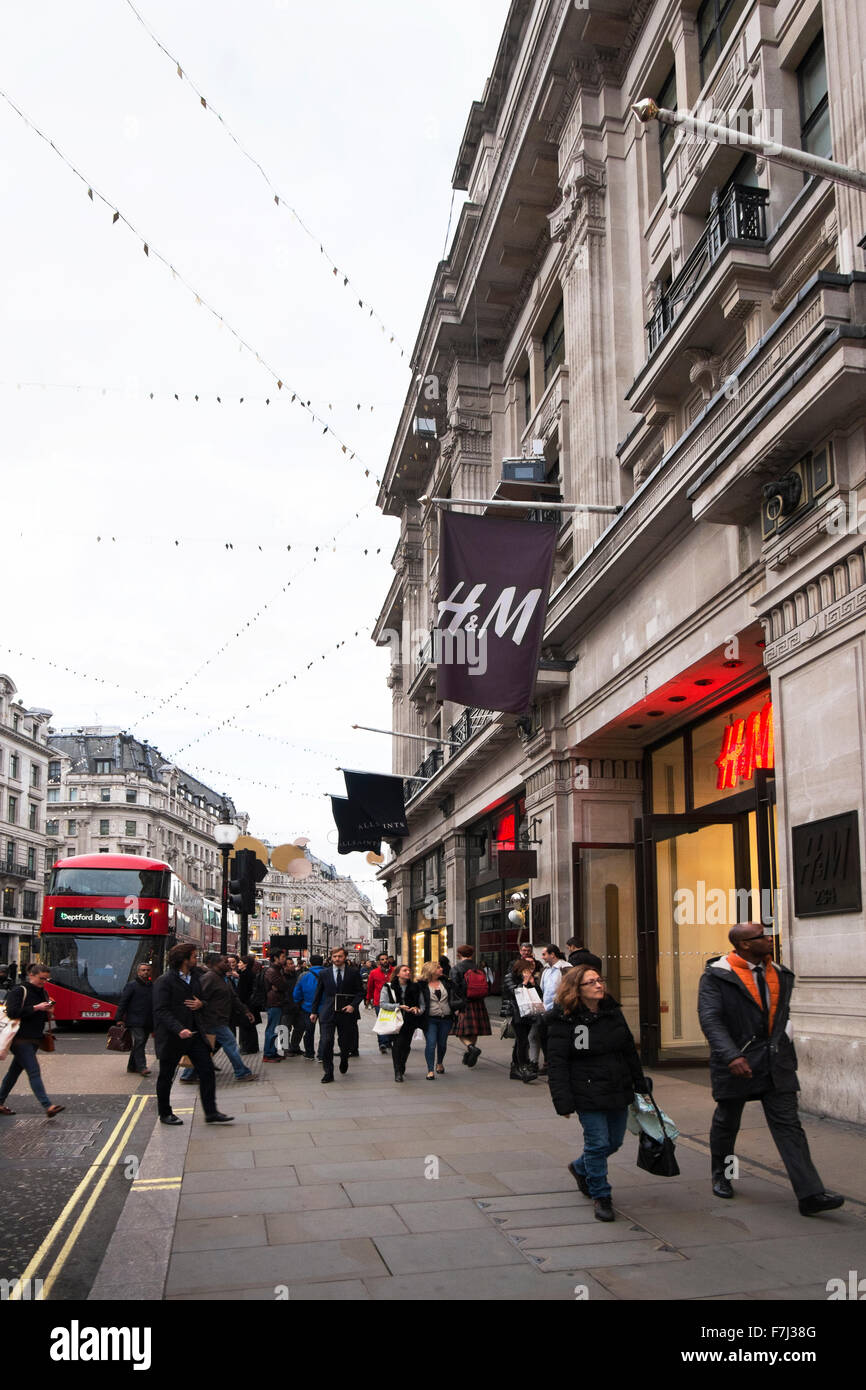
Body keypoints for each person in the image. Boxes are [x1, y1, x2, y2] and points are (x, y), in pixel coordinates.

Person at [698, 924, 844, 1216]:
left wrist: (784, 1038)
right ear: (744, 945)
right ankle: (724, 1175)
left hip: (777, 1063)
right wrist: (730, 1056)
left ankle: (810, 1194)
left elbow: (780, 1015)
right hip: (737, 1062)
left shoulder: (780, 973)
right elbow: (711, 1020)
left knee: (790, 1127)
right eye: (761, 937)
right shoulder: (716, 977)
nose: (769, 939)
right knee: (728, 1122)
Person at [546, 964, 650, 1223]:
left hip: (617, 1086)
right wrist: (563, 1100)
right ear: (576, 989)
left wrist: (640, 1084)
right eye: (591, 982)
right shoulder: (564, 1018)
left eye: (600, 980)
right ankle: (601, 1195)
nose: (599, 985)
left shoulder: (612, 1012)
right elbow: (557, 1062)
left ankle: (580, 1167)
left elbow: (628, 1051)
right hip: (586, 1090)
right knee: (598, 1143)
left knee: (614, 1142)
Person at [152, 942, 233, 1126]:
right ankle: (165, 1113)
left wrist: (201, 1004)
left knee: (207, 1071)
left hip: (195, 1034)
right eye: (194, 956)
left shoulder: (196, 977)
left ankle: (211, 1112)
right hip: (173, 1036)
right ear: (184, 959)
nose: (197, 959)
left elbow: (203, 999)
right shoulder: (164, 981)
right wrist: (178, 1029)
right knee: (166, 1076)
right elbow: (160, 1010)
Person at [0, 960, 65, 1117]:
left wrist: (49, 1011)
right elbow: (12, 1012)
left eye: (46, 979)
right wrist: (36, 1008)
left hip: (35, 1038)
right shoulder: (19, 990)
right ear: (31, 975)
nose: (44, 982)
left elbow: (39, 1016)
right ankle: (48, 1106)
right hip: (20, 1039)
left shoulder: (43, 992)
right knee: (33, 1071)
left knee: (14, 1072)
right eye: (41, 978)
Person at [180, 954, 256, 1084]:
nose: (228, 964)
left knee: (207, 1047)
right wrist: (201, 1005)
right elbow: (196, 996)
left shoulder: (223, 978)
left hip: (219, 1019)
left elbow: (233, 998)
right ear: (215, 964)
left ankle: (188, 1075)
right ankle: (242, 1072)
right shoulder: (209, 978)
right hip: (212, 1020)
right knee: (231, 1043)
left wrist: (246, 1011)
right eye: (225, 962)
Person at [309, 946, 364, 1083]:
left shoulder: (353, 973)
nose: (337, 959)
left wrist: (353, 1005)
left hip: (346, 1012)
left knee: (344, 1042)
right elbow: (318, 993)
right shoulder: (324, 973)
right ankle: (328, 1072)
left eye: (340, 956)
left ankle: (344, 1058)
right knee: (327, 1041)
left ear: (345, 957)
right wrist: (314, 1011)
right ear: (331, 958)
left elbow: (360, 992)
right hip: (328, 1012)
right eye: (334, 956)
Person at [417, 961, 461, 1079]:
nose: (441, 969)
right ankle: (430, 1070)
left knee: (442, 1044)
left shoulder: (447, 982)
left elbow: (457, 995)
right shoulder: (421, 985)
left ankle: (440, 1062)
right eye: (438, 968)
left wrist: (457, 1008)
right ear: (431, 970)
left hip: (446, 1018)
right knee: (431, 1044)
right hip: (430, 1019)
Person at [502, 957, 543, 1082]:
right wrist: (524, 982)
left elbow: (539, 995)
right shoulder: (510, 977)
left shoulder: (530, 979)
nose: (530, 971)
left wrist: (533, 984)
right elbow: (515, 992)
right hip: (515, 1013)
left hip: (529, 1013)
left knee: (520, 1041)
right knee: (523, 1040)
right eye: (527, 969)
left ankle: (515, 1068)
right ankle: (523, 1067)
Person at [380, 965, 424, 1082]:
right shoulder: (388, 987)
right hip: (395, 1020)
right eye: (404, 970)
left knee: (406, 1046)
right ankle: (397, 1071)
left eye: (409, 970)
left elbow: (422, 1004)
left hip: (410, 1020)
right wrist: (398, 1006)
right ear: (398, 974)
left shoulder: (415, 987)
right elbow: (383, 1004)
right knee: (398, 1045)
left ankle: (402, 1063)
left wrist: (417, 1010)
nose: (408, 972)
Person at [451, 944, 491, 1066]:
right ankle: (470, 1053)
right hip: (478, 1002)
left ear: (459, 955)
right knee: (473, 1032)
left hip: (464, 1003)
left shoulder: (456, 968)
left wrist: (455, 1006)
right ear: (472, 954)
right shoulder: (478, 967)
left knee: (460, 1032)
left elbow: (454, 988)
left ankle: (471, 1048)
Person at [115, 960, 154, 1076]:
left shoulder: (152, 986)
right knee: (140, 1040)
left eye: (147, 970)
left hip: (148, 1020)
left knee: (139, 1043)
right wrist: (119, 1019)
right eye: (143, 970)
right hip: (134, 1020)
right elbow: (123, 1002)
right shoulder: (132, 985)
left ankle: (132, 1066)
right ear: (138, 972)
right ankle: (142, 1067)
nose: (146, 972)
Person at [293, 953, 325, 1059]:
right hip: (325, 1007)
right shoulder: (328, 974)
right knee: (324, 1032)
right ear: (322, 962)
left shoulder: (304, 975)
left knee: (309, 1031)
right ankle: (322, 1054)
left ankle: (309, 1053)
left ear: (310, 963)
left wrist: (299, 1002)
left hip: (308, 1007)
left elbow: (296, 993)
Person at [365, 951, 395, 1055]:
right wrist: (368, 999)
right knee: (382, 1021)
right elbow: (370, 987)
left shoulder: (394, 971)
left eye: (386, 959)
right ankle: (382, 1043)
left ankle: (389, 1041)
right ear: (379, 961)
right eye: (382, 959)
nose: (385, 961)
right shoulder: (374, 973)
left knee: (391, 1022)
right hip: (379, 1001)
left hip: (392, 1001)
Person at [263, 950, 289, 1062]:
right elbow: (283, 985)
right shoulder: (272, 971)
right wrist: (280, 987)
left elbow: (282, 986)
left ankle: (272, 1052)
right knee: (272, 1029)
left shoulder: (278, 970)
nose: (284, 959)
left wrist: (280, 986)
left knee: (275, 1028)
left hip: (278, 1001)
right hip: (274, 1003)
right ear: (275, 958)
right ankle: (268, 1054)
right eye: (282, 957)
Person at [235, 955, 261, 1054]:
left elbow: (242, 992)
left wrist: (240, 1004)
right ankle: (253, 1047)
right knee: (250, 1026)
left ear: (245, 964)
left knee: (245, 1026)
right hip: (250, 1004)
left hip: (246, 1004)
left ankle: (246, 1047)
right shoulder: (249, 974)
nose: (238, 964)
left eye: (240, 962)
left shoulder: (245, 975)